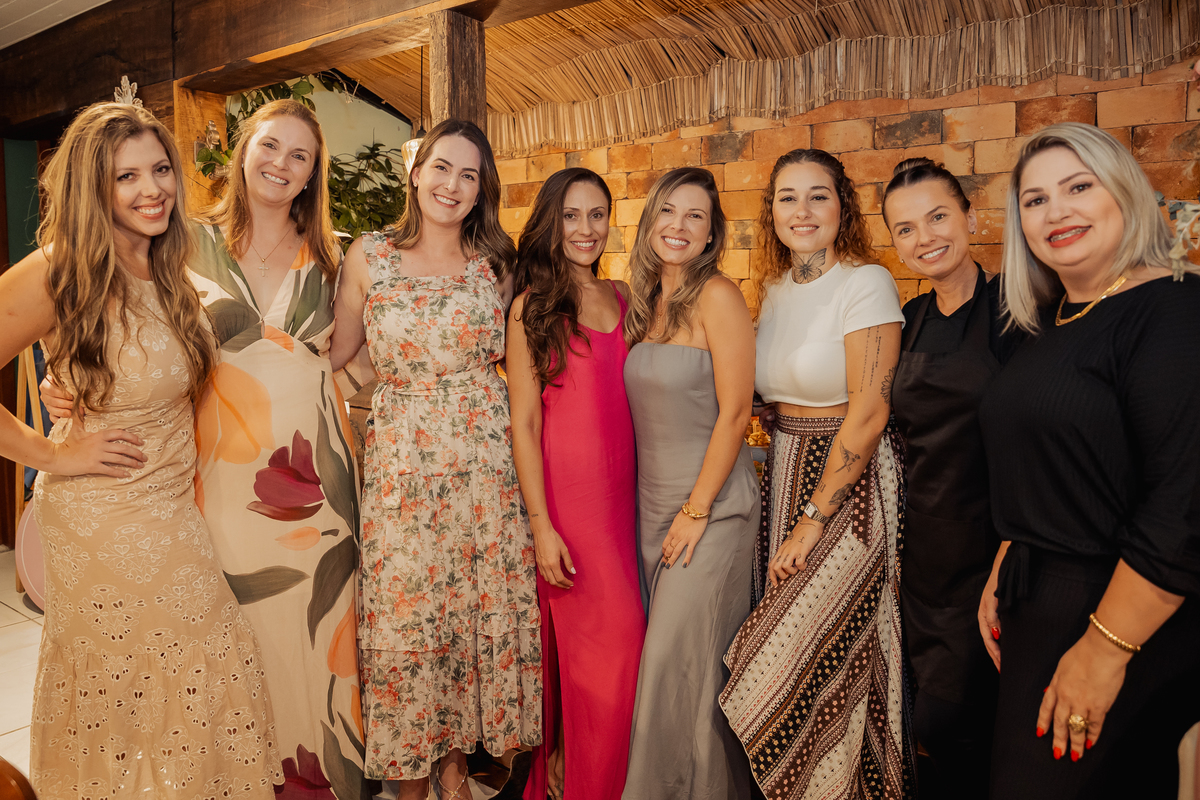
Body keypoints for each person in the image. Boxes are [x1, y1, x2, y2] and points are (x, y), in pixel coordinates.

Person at [41, 99, 368, 798]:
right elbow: (103, 311)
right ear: (242, 152)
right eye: (270, 146)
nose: (281, 164)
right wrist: (65, 379)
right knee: (230, 644)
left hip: (317, 476)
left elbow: (353, 356)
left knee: (317, 639)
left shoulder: (336, 256)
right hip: (217, 475)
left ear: (313, 173)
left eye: (300, 156)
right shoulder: (179, 241)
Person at [1, 102, 281, 798]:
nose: (151, 189)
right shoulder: (60, 269)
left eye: (160, 169)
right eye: (126, 176)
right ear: (92, 187)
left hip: (171, 505)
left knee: (191, 679)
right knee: (139, 691)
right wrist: (50, 455)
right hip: (103, 514)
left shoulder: (166, 262)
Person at [977, 122, 1200, 798]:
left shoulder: (1174, 309)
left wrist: (1105, 651)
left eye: (1078, 187)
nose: (1056, 212)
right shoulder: (1051, 320)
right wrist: (1008, 557)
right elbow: (1048, 459)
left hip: (1117, 614)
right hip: (1037, 603)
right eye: (1036, 199)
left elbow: (1182, 509)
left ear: (1125, 192)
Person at [330, 118, 540, 800]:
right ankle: (411, 784)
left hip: (485, 468)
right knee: (407, 618)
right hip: (402, 468)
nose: (452, 185)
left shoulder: (497, 265)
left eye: (468, 175)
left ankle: (455, 772)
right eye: (441, 168)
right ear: (415, 172)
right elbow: (336, 357)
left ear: (481, 191)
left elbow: (531, 362)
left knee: (467, 617)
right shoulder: (369, 255)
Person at [720, 148, 914, 798]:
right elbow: (766, 398)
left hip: (848, 488)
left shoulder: (867, 282)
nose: (801, 211)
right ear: (771, 212)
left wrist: (812, 519)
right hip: (783, 474)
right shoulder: (775, 290)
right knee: (827, 664)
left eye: (818, 196)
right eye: (787, 197)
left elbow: (871, 409)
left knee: (785, 657)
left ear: (842, 207)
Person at [882, 157, 1023, 797]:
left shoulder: (1017, 312)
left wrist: (1009, 553)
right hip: (921, 558)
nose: (926, 238)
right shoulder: (908, 319)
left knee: (971, 725)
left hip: (992, 550)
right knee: (930, 727)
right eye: (906, 229)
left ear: (970, 215)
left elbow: (1036, 446)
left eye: (938, 216)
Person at [506, 168, 645, 800]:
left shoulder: (624, 296)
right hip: (571, 508)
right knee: (613, 659)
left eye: (597, 214)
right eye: (571, 215)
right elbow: (525, 421)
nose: (586, 229)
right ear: (549, 223)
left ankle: (584, 779)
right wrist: (542, 527)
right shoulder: (531, 306)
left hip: (628, 502)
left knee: (617, 668)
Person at [620, 167, 758, 800]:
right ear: (650, 221)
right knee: (684, 673)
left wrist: (696, 510)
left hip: (712, 510)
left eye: (695, 216)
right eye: (668, 211)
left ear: (710, 234)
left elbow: (736, 412)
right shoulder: (642, 302)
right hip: (652, 510)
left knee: (675, 667)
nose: (678, 226)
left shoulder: (718, 296)